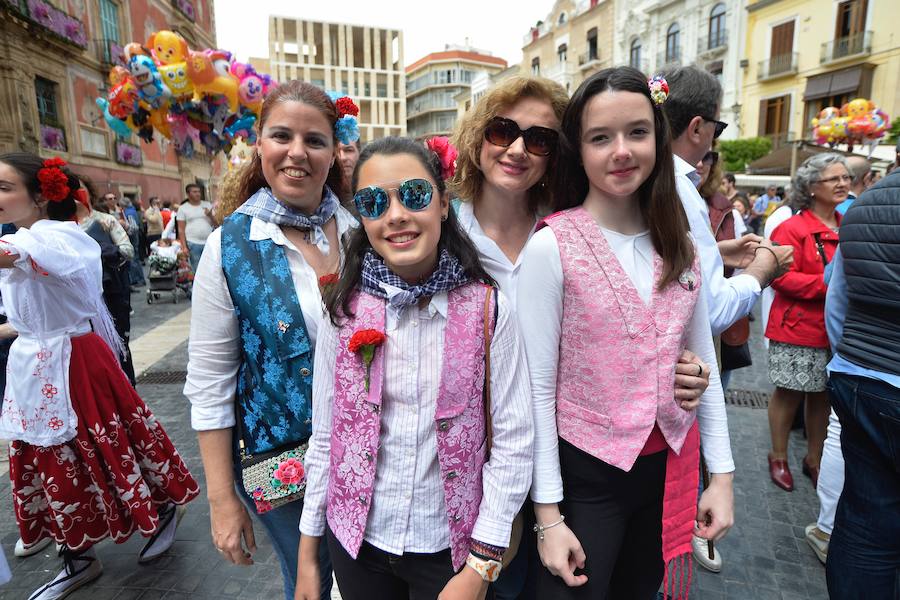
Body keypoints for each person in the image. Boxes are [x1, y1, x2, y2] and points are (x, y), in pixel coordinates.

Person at [449, 75, 714, 598]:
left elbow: (669, 309)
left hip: (559, 458)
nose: (519, 149)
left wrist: (686, 366)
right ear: (479, 136)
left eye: (541, 139)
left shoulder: (571, 232)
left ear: (557, 154)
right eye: (503, 131)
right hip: (470, 461)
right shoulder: (439, 233)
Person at [518, 67, 734, 600]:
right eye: (600, 137)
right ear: (580, 150)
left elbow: (703, 359)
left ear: (658, 140)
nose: (622, 151)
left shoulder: (678, 241)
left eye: (637, 132)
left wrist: (723, 477)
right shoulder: (553, 247)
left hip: (668, 471)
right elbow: (537, 390)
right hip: (587, 477)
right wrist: (548, 517)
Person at [296, 136, 534, 600]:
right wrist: (310, 557)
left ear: (443, 205)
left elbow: (513, 442)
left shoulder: (489, 309)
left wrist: (480, 567)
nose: (396, 214)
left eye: (415, 195)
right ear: (361, 218)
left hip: (449, 549)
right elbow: (327, 437)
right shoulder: (342, 311)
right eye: (373, 202)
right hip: (357, 542)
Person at [185, 80, 357, 600]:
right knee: (310, 582)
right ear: (259, 143)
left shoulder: (363, 229)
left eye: (315, 140)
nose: (297, 153)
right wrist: (221, 499)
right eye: (282, 136)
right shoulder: (228, 246)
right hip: (281, 457)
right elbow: (211, 381)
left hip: (372, 451)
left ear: (334, 152)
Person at [0, 153, 199, 600]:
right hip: (37, 363)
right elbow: (30, 313)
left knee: (100, 447)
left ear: (41, 195)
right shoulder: (27, 238)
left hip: (73, 363)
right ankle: (78, 553)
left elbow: (18, 261)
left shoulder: (57, 239)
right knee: (54, 456)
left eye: (3, 187)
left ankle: (153, 513)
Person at [660, 65, 792, 338]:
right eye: (717, 128)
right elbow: (711, 311)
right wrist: (763, 268)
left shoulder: (650, 179)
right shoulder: (678, 186)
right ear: (697, 128)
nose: (714, 141)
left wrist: (716, 252)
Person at [820, 169, 900, 598]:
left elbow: (838, 300)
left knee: (865, 525)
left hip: (859, 374)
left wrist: (849, 358)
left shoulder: (864, 205)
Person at [765, 153, 848, 492]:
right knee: (789, 393)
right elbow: (778, 276)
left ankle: (814, 458)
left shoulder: (848, 222)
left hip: (836, 328)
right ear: (813, 187)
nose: (843, 183)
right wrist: (829, 287)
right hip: (797, 325)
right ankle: (779, 455)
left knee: (822, 398)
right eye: (834, 179)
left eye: (846, 177)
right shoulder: (792, 228)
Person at [76, 176, 138, 385]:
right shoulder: (58, 227)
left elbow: (128, 250)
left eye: (79, 188)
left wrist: (104, 249)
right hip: (79, 299)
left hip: (111, 293)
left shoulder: (105, 220)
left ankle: (126, 390)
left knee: (118, 342)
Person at [177, 183, 215, 274]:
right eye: (194, 192)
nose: (198, 194)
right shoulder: (183, 208)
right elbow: (181, 229)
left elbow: (217, 224)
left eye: (198, 191)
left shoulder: (207, 205)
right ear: (188, 194)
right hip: (193, 243)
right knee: (197, 270)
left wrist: (210, 215)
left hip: (209, 242)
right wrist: (184, 247)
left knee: (211, 269)